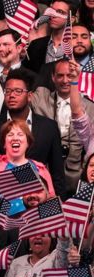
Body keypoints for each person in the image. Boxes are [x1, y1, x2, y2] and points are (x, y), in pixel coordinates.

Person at [0, 68, 64, 202]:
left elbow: (57, 174)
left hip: (35, 203)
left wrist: (60, 207)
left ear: (30, 96)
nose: (12, 95)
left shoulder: (48, 127)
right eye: (8, 91)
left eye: (18, 91)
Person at [30, 58, 94, 194]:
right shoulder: (41, 97)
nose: (65, 80)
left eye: (69, 75)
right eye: (60, 75)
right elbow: (20, 93)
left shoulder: (90, 107)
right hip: (45, 177)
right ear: (53, 77)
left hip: (77, 177)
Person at [25, 0, 74, 72]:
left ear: (71, 19)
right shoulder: (35, 45)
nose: (53, 15)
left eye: (60, 12)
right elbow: (26, 75)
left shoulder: (77, 46)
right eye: (51, 11)